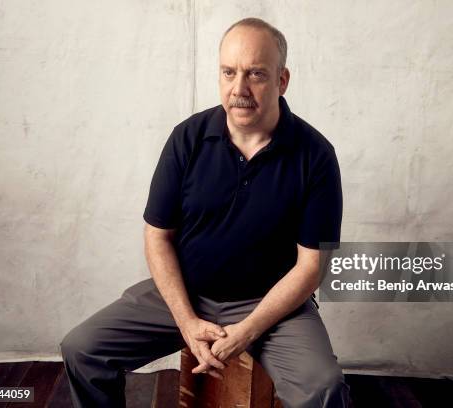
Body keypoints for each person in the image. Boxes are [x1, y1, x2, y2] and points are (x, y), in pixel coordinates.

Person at [60, 17, 351, 407]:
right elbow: (157, 236)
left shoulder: (316, 155)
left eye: (256, 74)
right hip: (185, 292)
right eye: (229, 72)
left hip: (271, 304)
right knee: (82, 349)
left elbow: (312, 267)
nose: (239, 89)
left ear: (282, 81)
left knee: (323, 386)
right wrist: (187, 321)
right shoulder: (187, 137)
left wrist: (246, 331)